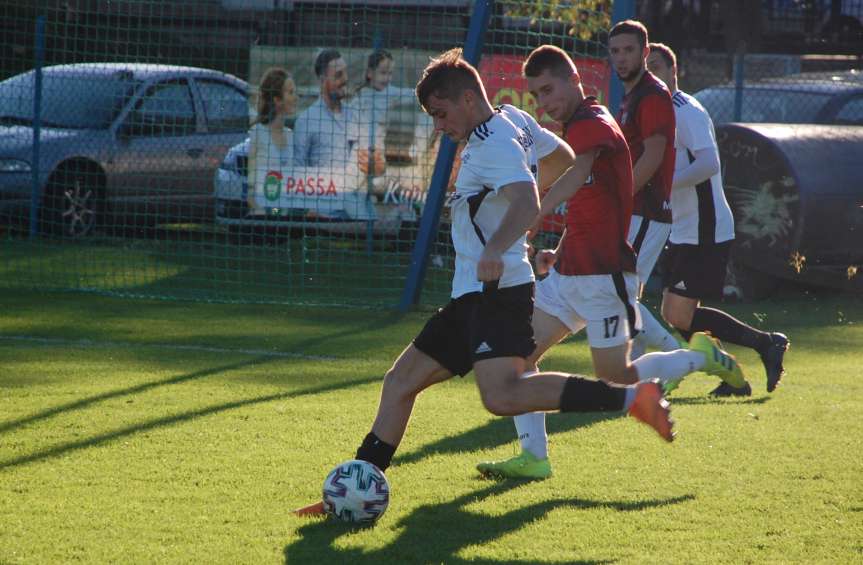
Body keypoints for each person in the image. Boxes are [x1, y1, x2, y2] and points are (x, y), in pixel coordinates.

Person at [294, 48, 675, 516]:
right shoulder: (510, 118)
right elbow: (562, 157)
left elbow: (522, 195)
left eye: (440, 113)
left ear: (469, 100)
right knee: (399, 382)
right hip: (469, 296)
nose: (438, 126)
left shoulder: (493, 144)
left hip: (498, 293)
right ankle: (351, 490)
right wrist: (514, 233)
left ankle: (632, 398)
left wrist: (500, 246)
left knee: (503, 395)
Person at [474, 45, 746, 481]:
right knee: (518, 358)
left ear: (573, 80)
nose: (544, 103)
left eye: (549, 90)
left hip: (605, 277)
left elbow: (578, 174)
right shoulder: (579, 125)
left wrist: (534, 212)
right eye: (537, 96)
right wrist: (558, 249)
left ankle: (698, 356)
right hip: (566, 276)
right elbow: (589, 204)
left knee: (615, 377)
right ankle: (534, 458)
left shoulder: (593, 122)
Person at [645, 42, 789, 396]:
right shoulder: (654, 112)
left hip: (704, 228)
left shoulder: (687, 111)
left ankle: (760, 348)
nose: (652, 75)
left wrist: (664, 185)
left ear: (673, 72)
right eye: (647, 69)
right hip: (683, 228)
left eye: (657, 68)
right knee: (674, 312)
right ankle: (742, 365)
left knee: (679, 314)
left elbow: (709, 164)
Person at [607, 20, 681, 360]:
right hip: (636, 210)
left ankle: (676, 356)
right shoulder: (633, 94)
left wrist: (621, 198)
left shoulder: (652, 95)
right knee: (623, 295)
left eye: (629, 50)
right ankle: (634, 375)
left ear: (645, 52)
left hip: (645, 210)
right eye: (615, 51)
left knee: (618, 293)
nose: (621, 58)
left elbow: (653, 156)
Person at [293, 49, 380, 175]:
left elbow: (372, 164)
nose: (345, 79)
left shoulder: (356, 117)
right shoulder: (306, 121)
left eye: (345, 73)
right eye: (338, 75)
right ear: (323, 80)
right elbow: (297, 171)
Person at [350, 49, 418, 171]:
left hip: (378, 154)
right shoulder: (359, 98)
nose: (387, 78)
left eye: (390, 73)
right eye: (383, 73)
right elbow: (351, 132)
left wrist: (409, 61)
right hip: (359, 155)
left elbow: (414, 94)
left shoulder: (389, 93)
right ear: (370, 73)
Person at [247, 67, 297, 208]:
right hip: (263, 214)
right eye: (291, 92)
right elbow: (251, 186)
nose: (296, 98)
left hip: (286, 215)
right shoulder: (257, 133)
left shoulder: (291, 136)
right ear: (277, 100)